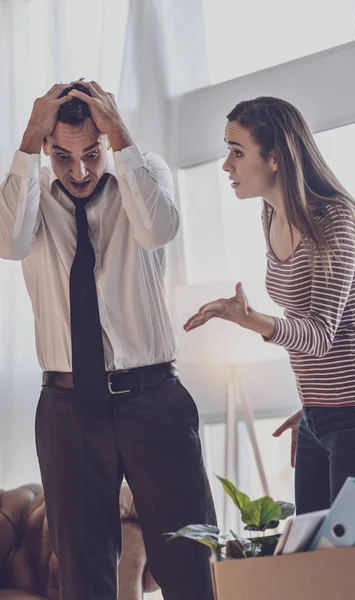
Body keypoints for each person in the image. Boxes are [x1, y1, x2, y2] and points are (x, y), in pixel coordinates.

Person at [0, 80, 216, 600]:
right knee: (82, 568)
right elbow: (8, 241)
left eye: (92, 153)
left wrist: (120, 138)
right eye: (62, 155)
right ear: (46, 149)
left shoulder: (145, 174)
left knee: (191, 558)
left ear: (109, 141)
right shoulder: (29, 195)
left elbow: (158, 229)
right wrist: (30, 136)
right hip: (67, 406)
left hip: (155, 400)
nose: (79, 171)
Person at [184, 96, 355, 515]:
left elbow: (319, 335)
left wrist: (249, 319)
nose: (227, 165)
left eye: (237, 152)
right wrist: (314, 406)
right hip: (319, 418)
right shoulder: (269, 216)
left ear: (276, 157)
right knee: (313, 567)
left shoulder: (336, 219)